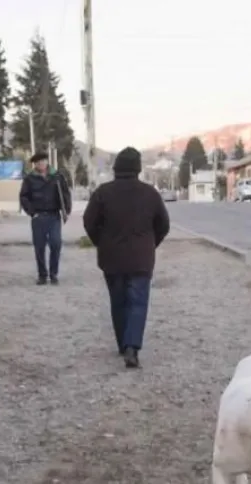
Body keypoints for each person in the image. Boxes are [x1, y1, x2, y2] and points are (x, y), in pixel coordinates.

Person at [83, 147, 171, 369]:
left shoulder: (103, 192)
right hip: (141, 258)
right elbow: (163, 225)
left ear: (116, 167)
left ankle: (123, 344)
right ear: (138, 168)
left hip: (111, 257)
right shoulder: (150, 193)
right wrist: (151, 244)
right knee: (138, 302)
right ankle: (132, 347)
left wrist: (101, 243)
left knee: (118, 301)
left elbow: (89, 221)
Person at [19, 152, 72, 285]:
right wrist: (32, 212)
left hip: (54, 216)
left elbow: (66, 194)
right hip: (38, 217)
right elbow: (23, 197)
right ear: (35, 164)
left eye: (42, 161)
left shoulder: (57, 177)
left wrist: (67, 209)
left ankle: (53, 274)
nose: (40, 164)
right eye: (37, 162)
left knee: (56, 244)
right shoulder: (29, 179)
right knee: (39, 247)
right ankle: (42, 275)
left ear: (47, 162)